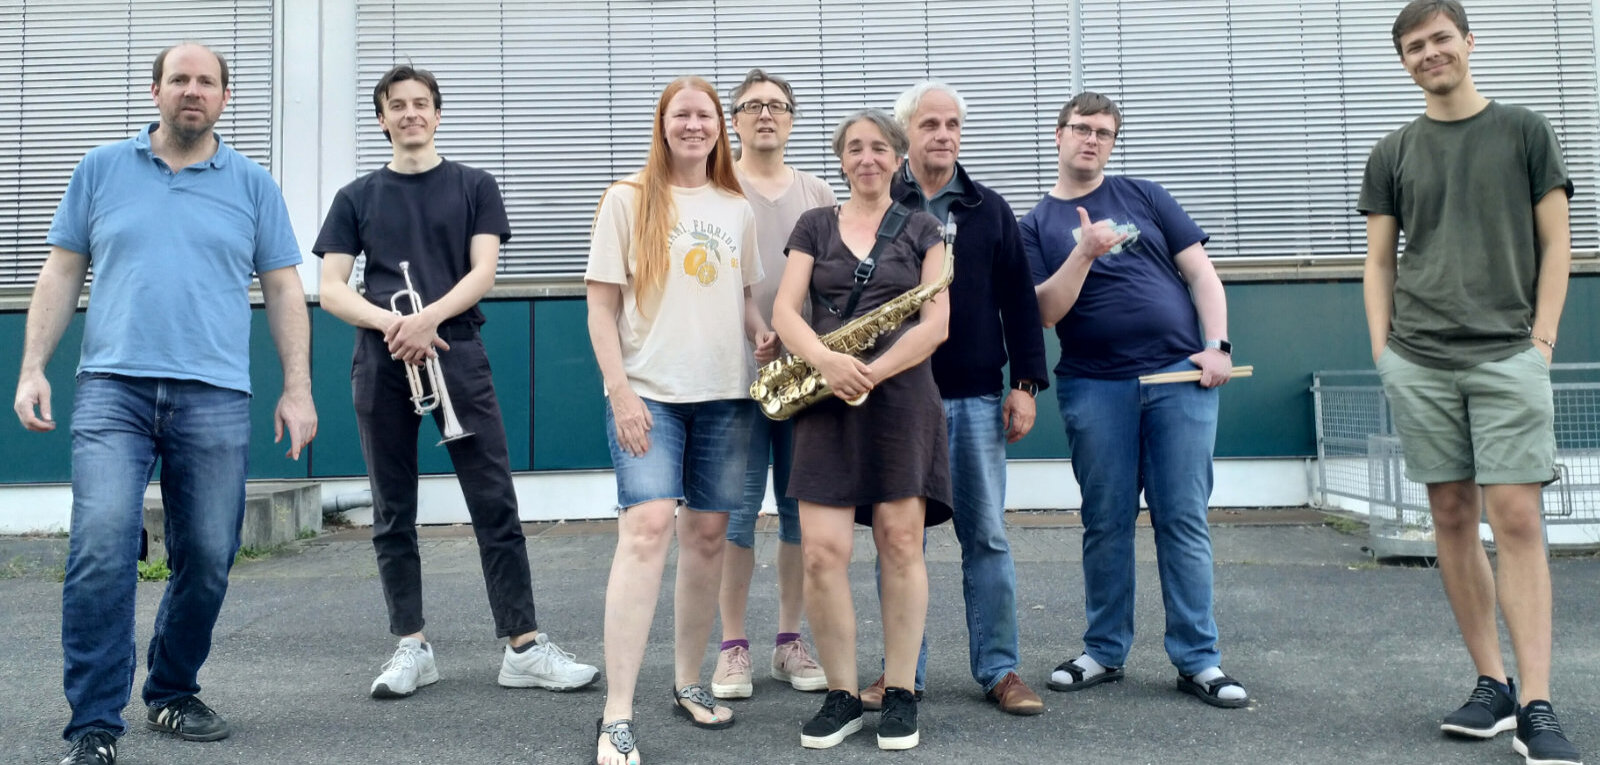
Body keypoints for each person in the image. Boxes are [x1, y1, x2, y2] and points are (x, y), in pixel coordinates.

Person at [12, 42, 317, 765]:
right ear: (155, 91)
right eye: (178, 79)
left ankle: (172, 689)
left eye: (206, 81)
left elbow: (282, 288)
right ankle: (93, 723)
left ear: (224, 97)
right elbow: (60, 272)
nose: (192, 91)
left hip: (214, 393)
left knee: (209, 554)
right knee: (99, 547)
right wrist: (32, 367)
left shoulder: (252, 185)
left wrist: (298, 386)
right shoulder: (101, 169)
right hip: (113, 389)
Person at [313, 64, 597, 701]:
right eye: (397, 105)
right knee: (392, 508)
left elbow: (483, 271)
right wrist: (396, 323)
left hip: (455, 348)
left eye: (421, 104)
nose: (410, 114)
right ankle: (410, 645)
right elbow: (331, 289)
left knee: (493, 499)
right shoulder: (356, 196)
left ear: (437, 114)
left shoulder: (475, 184)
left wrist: (428, 319)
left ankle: (523, 646)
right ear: (382, 118)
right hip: (383, 355)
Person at [1360, 3, 1581, 763]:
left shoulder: (1524, 131)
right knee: (1450, 513)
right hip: (1420, 357)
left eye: (1440, 39)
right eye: (1414, 46)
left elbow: (1558, 244)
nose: (1429, 54)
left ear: (1468, 43)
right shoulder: (1392, 150)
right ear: (1404, 61)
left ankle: (1538, 703)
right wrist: (1385, 351)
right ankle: (1492, 683)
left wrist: (1543, 339)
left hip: (1507, 351)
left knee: (1516, 515)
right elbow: (1379, 261)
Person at [1022, 91, 1248, 710]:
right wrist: (1084, 251)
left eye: (1103, 132)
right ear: (1058, 135)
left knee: (1182, 518)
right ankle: (1104, 650)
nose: (1090, 140)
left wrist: (1218, 346)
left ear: (1112, 143)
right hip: (1095, 384)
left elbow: (1202, 273)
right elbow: (1044, 310)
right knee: (1107, 521)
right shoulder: (1035, 223)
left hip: (1180, 378)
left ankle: (1199, 660)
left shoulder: (1145, 195)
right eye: (1079, 129)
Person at [584, 75, 769, 765]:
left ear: (722, 128)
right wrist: (621, 392)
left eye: (705, 116)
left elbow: (742, 296)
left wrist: (761, 334)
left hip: (727, 395)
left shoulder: (734, 205)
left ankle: (688, 679)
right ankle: (617, 713)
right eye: (681, 115)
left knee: (710, 535)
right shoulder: (627, 199)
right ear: (663, 125)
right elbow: (601, 308)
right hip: (649, 394)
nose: (694, 125)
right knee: (647, 526)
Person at [856, 80, 1049, 716]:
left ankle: (1000, 669)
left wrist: (1024, 383)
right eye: (931, 124)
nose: (944, 135)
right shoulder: (879, 204)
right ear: (906, 134)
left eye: (953, 125)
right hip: (900, 400)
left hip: (972, 397)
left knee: (986, 535)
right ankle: (900, 674)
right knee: (899, 540)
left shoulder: (990, 209)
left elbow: (1020, 301)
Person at [773, 109, 952, 751]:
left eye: (879, 148)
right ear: (842, 160)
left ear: (898, 157)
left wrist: (870, 373)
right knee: (822, 553)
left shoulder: (925, 228)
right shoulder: (814, 224)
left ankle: (900, 691)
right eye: (854, 149)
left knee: (900, 543)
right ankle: (843, 695)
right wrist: (826, 361)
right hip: (826, 396)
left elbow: (935, 325)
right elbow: (784, 311)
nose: (867, 158)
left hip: (900, 397)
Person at [710, 68, 834, 701]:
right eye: (752, 106)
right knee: (733, 518)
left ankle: (790, 641)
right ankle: (733, 648)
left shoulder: (816, 192)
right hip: (730, 379)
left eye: (777, 106)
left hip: (802, 381)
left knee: (799, 517)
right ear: (733, 119)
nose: (765, 115)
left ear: (791, 119)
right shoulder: (713, 187)